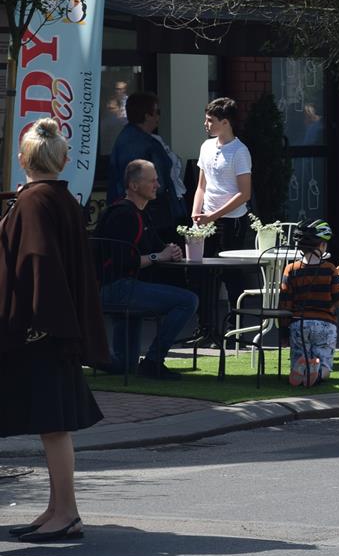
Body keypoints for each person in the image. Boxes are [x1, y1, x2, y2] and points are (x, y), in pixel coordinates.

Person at [0, 118, 107, 543]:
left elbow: (38, 263)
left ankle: (66, 512)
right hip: (51, 331)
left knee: (54, 423)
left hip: (40, 332)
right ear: (62, 160)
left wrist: (40, 325)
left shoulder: (34, 202)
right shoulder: (56, 199)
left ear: (22, 158)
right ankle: (58, 508)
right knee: (53, 424)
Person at [95, 160, 199, 379]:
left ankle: (83, 355)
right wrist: (157, 256)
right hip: (115, 288)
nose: (157, 185)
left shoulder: (142, 213)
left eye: (156, 180)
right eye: (152, 180)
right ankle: (153, 362)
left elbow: (158, 246)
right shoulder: (122, 215)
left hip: (127, 287)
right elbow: (121, 261)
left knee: (125, 365)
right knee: (187, 300)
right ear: (134, 186)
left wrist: (171, 251)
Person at [192, 97, 253, 338]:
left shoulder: (239, 151)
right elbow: (201, 185)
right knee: (204, 273)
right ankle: (205, 328)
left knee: (230, 274)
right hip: (206, 219)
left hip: (232, 220)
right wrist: (196, 212)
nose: (206, 124)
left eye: (211, 120)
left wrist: (214, 215)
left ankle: (234, 330)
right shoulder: (206, 146)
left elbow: (244, 193)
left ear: (226, 122)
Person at [108, 92, 185, 238]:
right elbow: (154, 184)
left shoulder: (129, 138)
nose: (158, 117)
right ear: (147, 115)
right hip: (151, 217)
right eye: (157, 112)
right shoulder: (142, 144)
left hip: (142, 214)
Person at [279, 219, 339, 388]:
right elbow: (337, 297)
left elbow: (285, 302)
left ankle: (300, 368)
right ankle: (318, 371)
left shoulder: (291, 269)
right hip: (325, 324)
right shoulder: (330, 269)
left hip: (298, 323)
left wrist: (284, 331)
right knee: (326, 366)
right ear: (322, 246)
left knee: (300, 355)